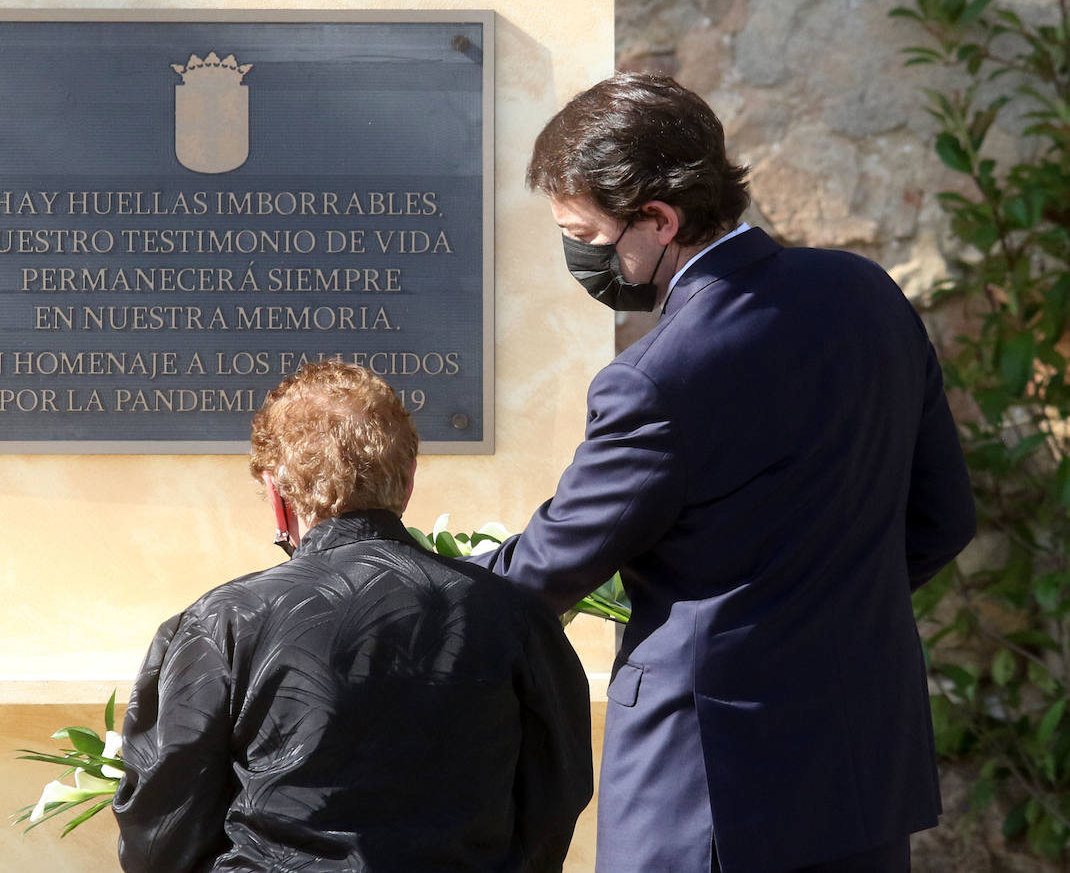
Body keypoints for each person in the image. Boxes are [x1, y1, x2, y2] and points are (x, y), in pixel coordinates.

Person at [472, 73, 977, 872]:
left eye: (583, 233)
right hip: (860, 769)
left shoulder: (655, 379)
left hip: (708, 788)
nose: (579, 255)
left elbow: (540, 573)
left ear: (659, 219)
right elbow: (944, 518)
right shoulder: (869, 294)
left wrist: (420, 569)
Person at [114, 359, 593, 873]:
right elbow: (556, 797)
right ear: (408, 481)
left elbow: (160, 836)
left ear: (277, 494)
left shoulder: (222, 623)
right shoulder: (514, 617)